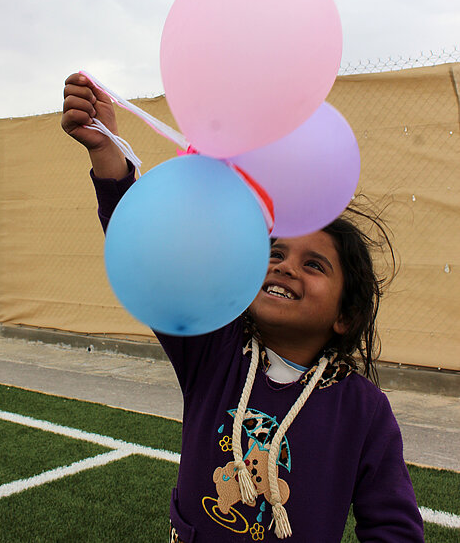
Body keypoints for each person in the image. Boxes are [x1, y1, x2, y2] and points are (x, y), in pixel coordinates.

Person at [62, 72, 424, 542]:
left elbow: (393, 526)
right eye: (274, 254)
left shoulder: (363, 409)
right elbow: (149, 256)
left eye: (313, 264)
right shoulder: (213, 351)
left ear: (346, 315)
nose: (286, 267)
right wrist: (106, 151)